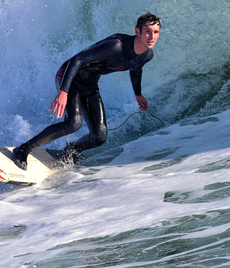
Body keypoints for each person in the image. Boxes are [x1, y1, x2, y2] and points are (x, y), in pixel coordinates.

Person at [11, 13, 161, 170]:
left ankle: (70, 151)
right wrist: (63, 91)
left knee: (99, 136)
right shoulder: (116, 45)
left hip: (89, 84)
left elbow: (136, 69)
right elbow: (77, 60)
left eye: (156, 32)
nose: (152, 36)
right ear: (137, 31)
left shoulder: (147, 55)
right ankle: (23, 149)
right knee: (73, 123)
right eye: (147, 31)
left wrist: (138, 94)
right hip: (69, 76)